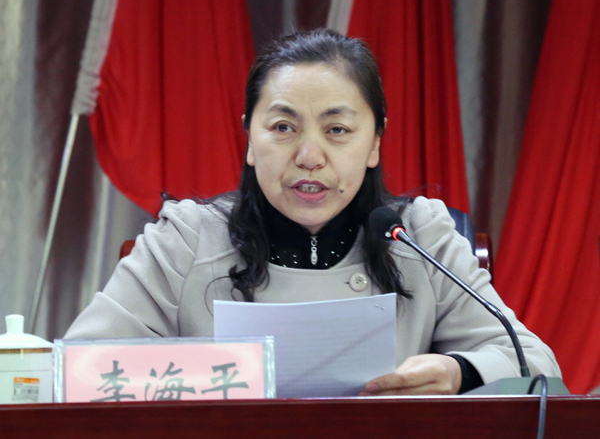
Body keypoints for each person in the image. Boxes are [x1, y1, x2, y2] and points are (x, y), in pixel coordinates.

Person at [65, 29, 561, 395]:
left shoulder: (418, 236)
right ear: (250, 138)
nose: (309, 156)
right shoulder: (186, 239)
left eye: (337, 130)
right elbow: (82, 367)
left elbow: (536, 364)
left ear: (375, 143)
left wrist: (458, 372)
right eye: (283, 128)